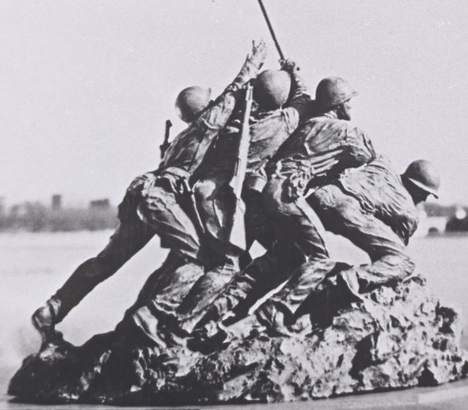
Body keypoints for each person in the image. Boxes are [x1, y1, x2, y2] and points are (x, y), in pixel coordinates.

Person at [30, 40, 266, 347]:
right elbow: (229, 99)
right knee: (196, 259)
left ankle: (51, 310)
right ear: (203, 109)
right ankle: (151, 319)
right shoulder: (204, 127)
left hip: (144, 197)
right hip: (158, 199)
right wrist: (253, 65)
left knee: (108, 261)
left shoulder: (184, 137)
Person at [189, 76, 376, 341]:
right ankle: (277, 312)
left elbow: (301, 100)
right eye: (349, 103)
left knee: (284, 257)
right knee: (320, 258)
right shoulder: (345, 131)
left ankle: (219, 311)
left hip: (266, 194)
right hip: (287, 194)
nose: (352, 109)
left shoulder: (299, 124)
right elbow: (367, 155)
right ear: (339, 104)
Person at [170, 60, 313, 328]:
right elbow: (303, 100)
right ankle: (187, 322)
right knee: (231, 264)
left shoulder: (231, 125)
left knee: (237, 261)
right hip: (233, 202)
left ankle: (222, 312)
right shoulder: (281, 122)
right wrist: (295, 71)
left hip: (217, 200)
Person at [306, 156, 441, 300]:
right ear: (418, 189)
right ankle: (348, 281)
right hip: (346, 211)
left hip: (319, 197)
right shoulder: (409, 213)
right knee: (404, 262)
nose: (425, 200)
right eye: (426, 194)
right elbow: (390, 255)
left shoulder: (382, 164)